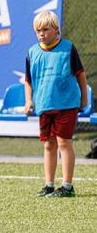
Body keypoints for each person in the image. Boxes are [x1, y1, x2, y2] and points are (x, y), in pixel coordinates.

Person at [24, 11, 87, 198]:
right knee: (49, 145)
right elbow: (28, 80)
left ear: (56, 30)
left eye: (45, 29)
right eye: (38, 30)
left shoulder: (68, 48)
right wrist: (29, 100)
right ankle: (49, 185)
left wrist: (84, 99)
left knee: (64, 142)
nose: (41, 33)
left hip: (67, 104)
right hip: (44, 104)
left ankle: (67, 186)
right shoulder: (32, 52)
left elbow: (80, 74)